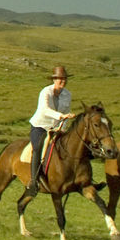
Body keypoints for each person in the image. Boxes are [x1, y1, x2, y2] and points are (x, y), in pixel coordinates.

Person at [22, 66, 76, 198]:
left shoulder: (67, 94)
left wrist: (63, 127)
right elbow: (45, 110)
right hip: (40, 125)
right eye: (60, 79)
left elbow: (66, 112)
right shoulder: (45, 92)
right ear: (54, 79)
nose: (62, 81)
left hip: (57, 128)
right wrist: (61, 116)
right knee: (38, 147)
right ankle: (34, 182)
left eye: (64, 79)